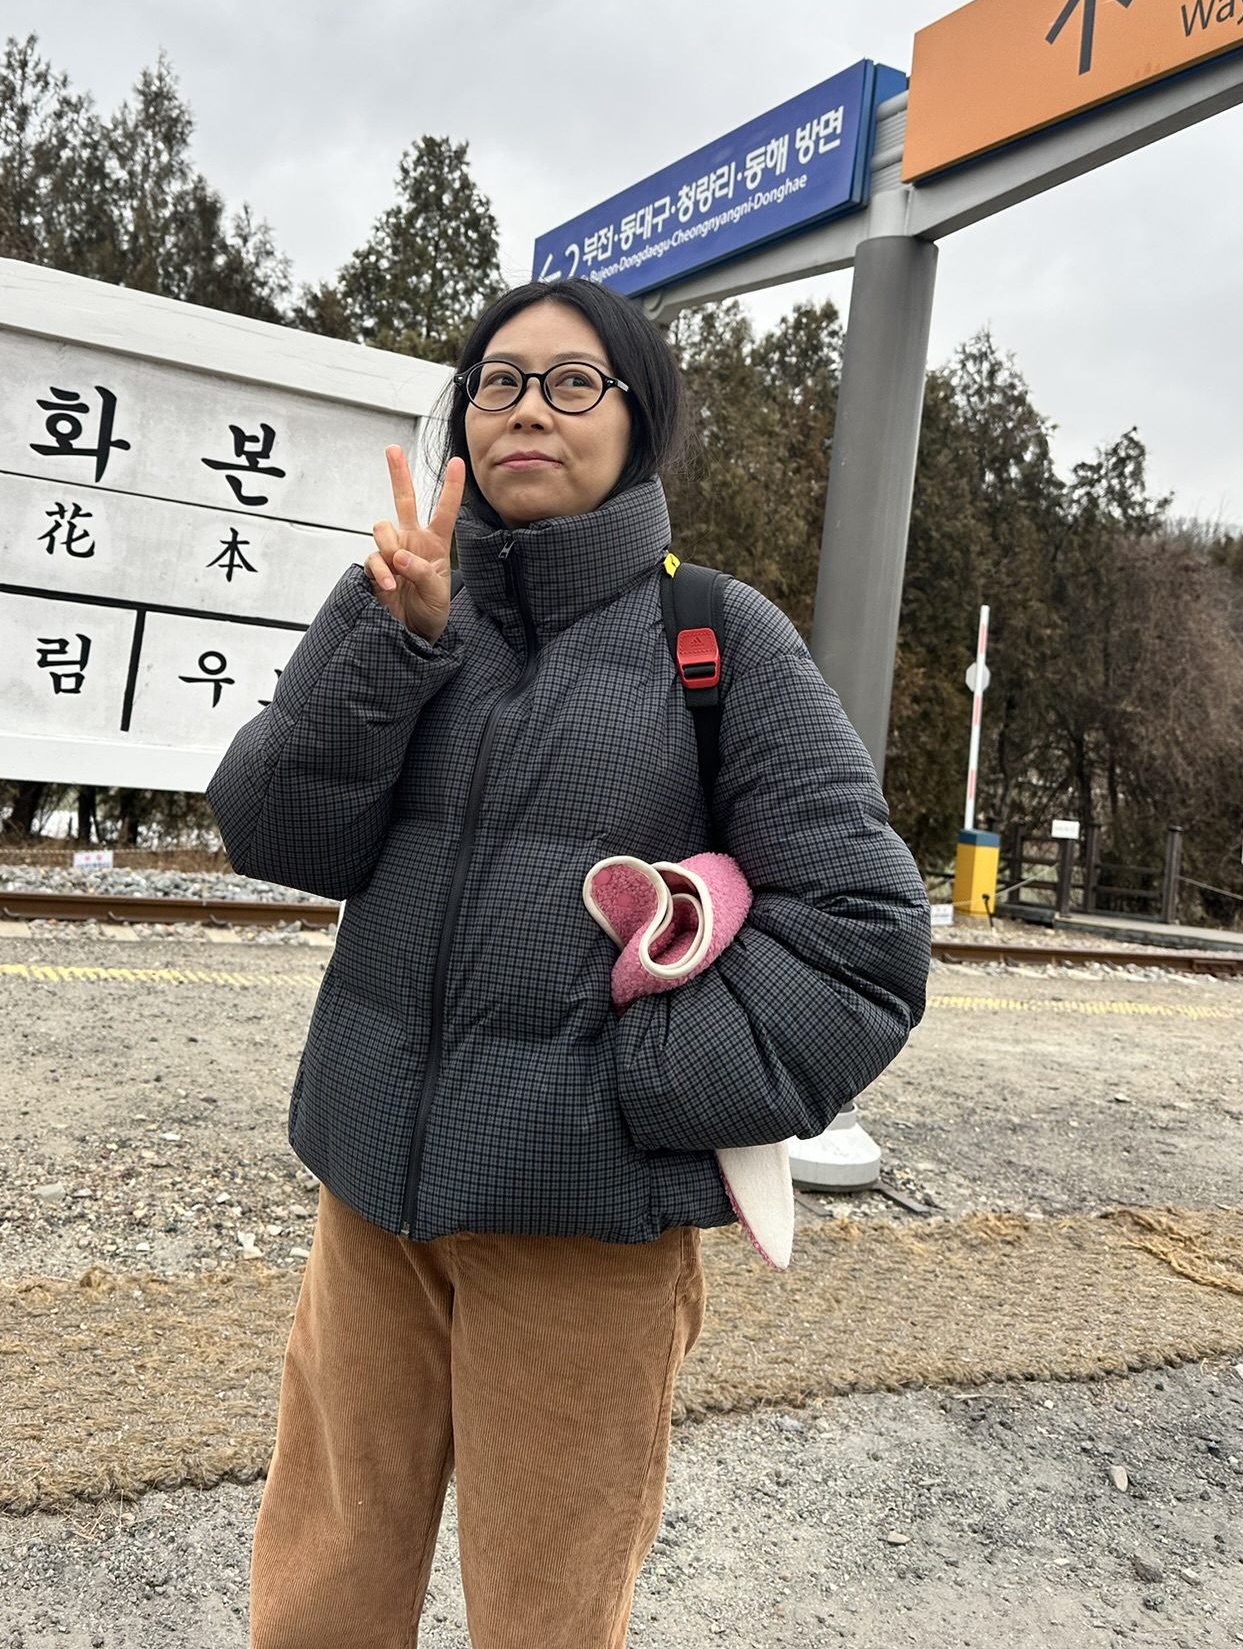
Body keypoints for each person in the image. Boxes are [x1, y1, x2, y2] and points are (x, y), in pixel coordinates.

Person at [208, 276, 930, 1649]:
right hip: (370, 1209)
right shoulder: (414, 615)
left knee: (544, 1614)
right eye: (497, 382)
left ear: (636, 419)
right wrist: (389, 641)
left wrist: (636, 1091)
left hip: (582, 1234)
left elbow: (865, 938)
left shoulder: (717, 636)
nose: (527, 409)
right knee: (318, 1595)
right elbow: (274, 830)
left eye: (572, 382)